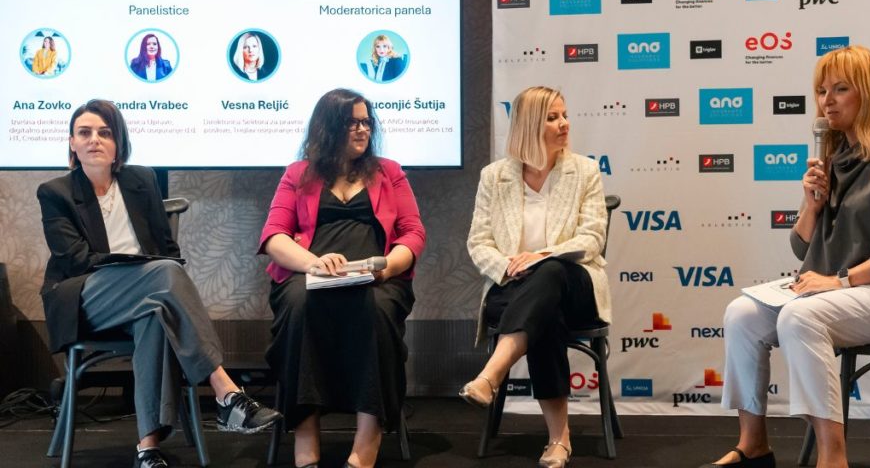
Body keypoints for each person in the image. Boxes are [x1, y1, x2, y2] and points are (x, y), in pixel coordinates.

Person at [701, 45, 870, 468]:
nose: (827, 101)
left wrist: (837, 281)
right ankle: (754, 446)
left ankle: (832, 458)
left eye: (840, 89)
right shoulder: (838, 152)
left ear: (868, 92)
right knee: (741, 314)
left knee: (801, 317)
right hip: (851, 291)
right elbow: (803, 248)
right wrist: (812, 205)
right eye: (821, 91)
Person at [37, 100, 282, 468]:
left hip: (148, 297)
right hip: (86, 299)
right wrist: (139, 269)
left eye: (105, 132)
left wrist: (150, 271)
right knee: (163, 273)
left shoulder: (141, 181)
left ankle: (147, 449)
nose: (94, 140)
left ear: (119, 142)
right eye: (84, 133)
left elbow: (168, 249)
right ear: (72, 142)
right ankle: (226, 391)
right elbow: (76, 260)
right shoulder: (54, 192)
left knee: (155, 314)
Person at [259, 88, 426, 468]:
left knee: (377, 309)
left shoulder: (390, 172)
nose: (362, 129)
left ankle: (367, 438)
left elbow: (413, 233)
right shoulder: (298, 174)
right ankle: (305, 437)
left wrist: (386, 266)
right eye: (352, 123)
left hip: (377, 277)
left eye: (366, 122)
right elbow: (274, 236)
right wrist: (313, 263)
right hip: (311, 273)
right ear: (328, 127)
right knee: (299, 305)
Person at [462, 86, 611, 468]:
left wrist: (541, 257)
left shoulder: (584, 171)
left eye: (564, 115)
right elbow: (479, 242)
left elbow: (592, 239)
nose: (564, 124)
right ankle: (559, 439)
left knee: (550, 274)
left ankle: (491, 374)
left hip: (573, 283)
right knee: (544, 315)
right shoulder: (494, 177)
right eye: (552, 117)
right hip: (511, 287)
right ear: (529, 125)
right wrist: (507, 267)